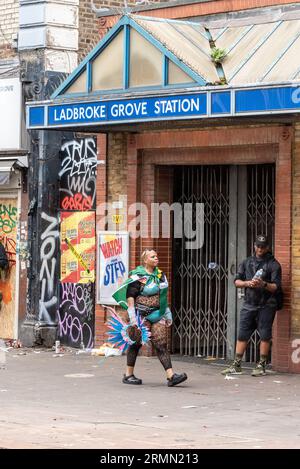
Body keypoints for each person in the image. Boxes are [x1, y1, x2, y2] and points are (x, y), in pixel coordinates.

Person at [113, 249, 187, 387]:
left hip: (157, 314)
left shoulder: (160, 275)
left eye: (157, 256)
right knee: (135, 343)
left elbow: (163, 296)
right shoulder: (138, 276)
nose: (156, 258)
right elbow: (130, 296)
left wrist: (167, 314)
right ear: (145, 260)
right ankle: (128, 374)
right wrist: (133, 318)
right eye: (153, 256)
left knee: (161, 343)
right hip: (140, 316)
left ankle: (171, 376)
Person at [222, 234, 282, 377]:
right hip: (249, 303)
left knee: (265, 335)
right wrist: (248, 283)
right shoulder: (247, 262)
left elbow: (276, 287)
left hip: (267, 305)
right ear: (254, 246)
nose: (260, 248)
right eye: (258, 245)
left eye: (263, 246)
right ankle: (237, 364)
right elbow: (237, 281)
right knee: (243, 334)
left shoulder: (274, 264)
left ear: (268, 247)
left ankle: (261, 365)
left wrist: (263, 284)